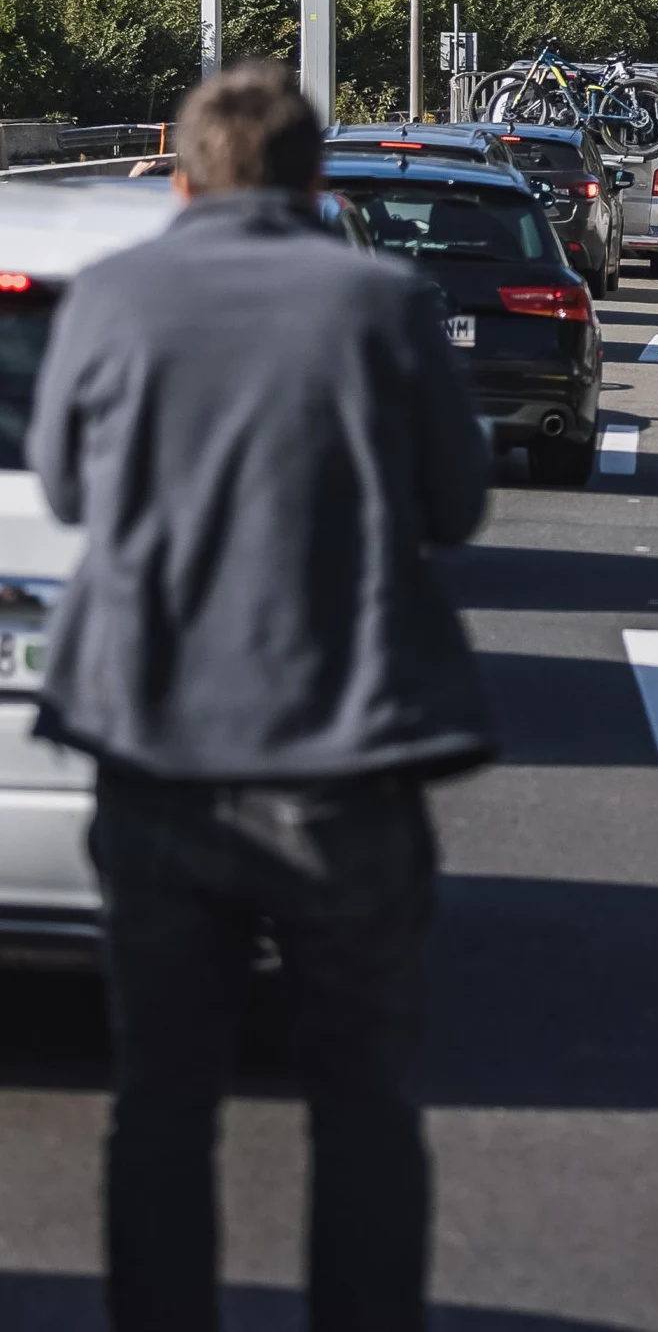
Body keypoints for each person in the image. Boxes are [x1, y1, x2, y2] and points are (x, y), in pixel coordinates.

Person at [28, 64, 492, 1332]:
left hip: (152, 750)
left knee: (164, 1103)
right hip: (343, 760)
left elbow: (68, 488)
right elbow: (458, 506)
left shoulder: (115, 299)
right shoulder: (383, 302)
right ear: (314, 183)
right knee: (363, 1102)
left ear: (179, 180)